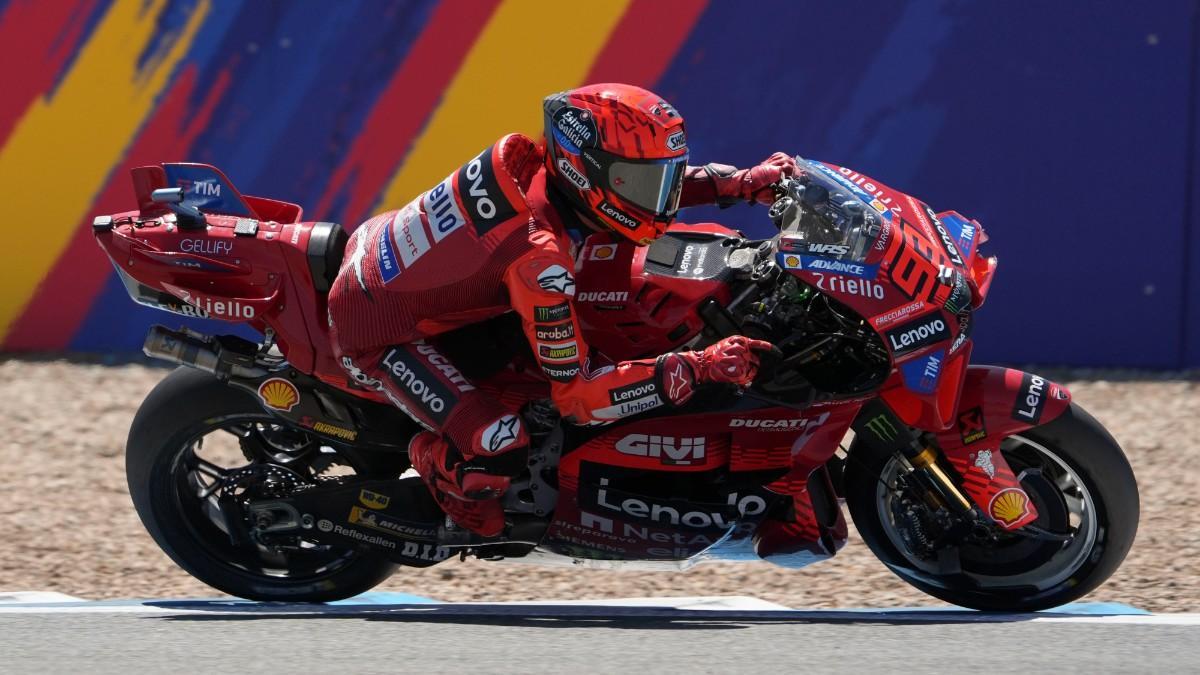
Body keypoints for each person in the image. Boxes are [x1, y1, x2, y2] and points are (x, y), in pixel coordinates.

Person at [327, 83, 796, 537]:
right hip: (377, 330)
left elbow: (634, 193)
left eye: (664, 176)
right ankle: (436, 464)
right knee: (499, 443)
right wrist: (700, 367)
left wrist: (739, 182)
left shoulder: (534, 164)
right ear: (582, 170)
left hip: (396, 258)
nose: (658, 197)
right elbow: (581, 399)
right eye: (637, 180)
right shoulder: (538, 260)